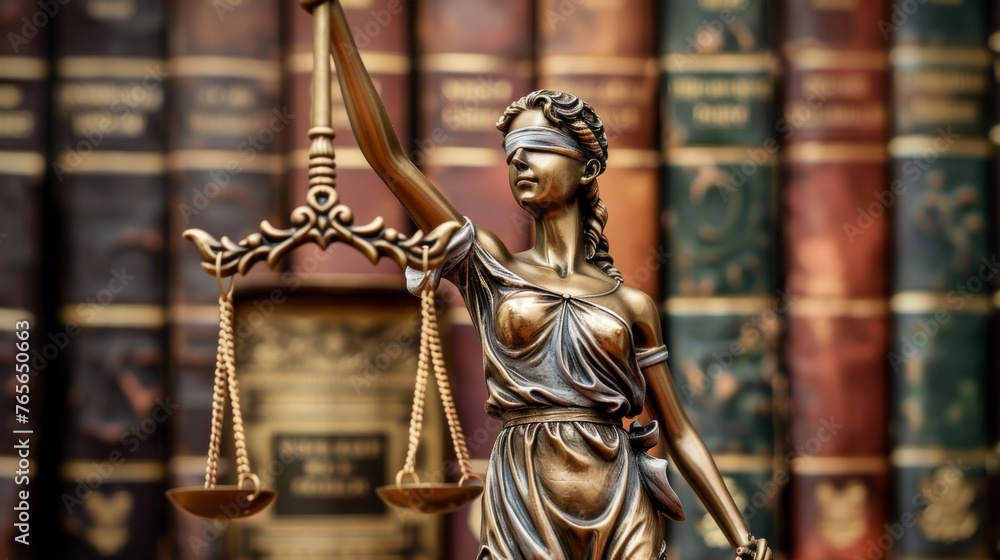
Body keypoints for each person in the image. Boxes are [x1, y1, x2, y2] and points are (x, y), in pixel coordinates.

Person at [326, 2, 773, 559]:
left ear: (586, 167)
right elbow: (390, 160)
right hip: (526, 489)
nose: (521, 165)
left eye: (538, 149)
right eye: (513, 155)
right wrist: (334, 23)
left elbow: (678, 432)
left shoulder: (631, 304)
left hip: (622, 493)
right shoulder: (490, 268)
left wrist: (742, 536)